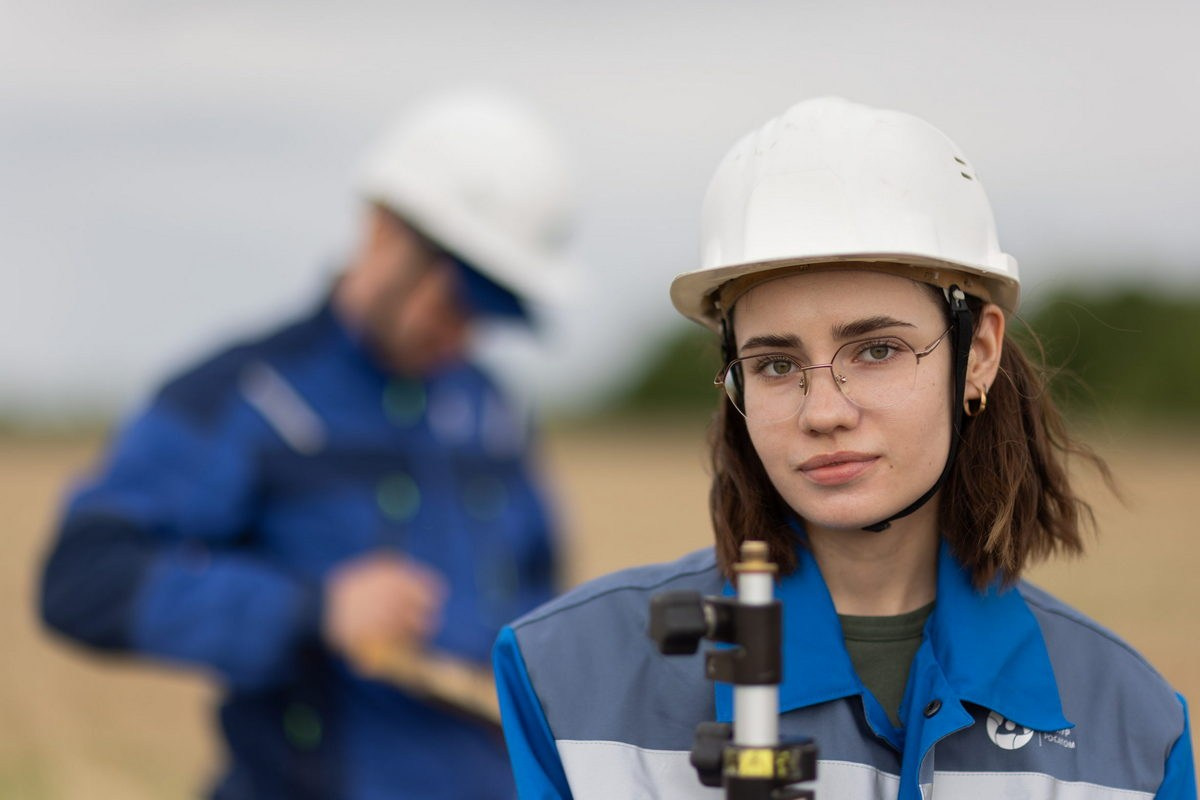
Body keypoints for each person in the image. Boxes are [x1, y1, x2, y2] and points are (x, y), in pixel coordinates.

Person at [492, 97, 1196, 799]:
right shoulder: (567, 677)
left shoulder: (1134, 733)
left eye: (878, 350)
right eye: (774, 364)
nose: (823, 411)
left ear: (977, 352)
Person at [40, 89, 576, 799]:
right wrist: (313, 611)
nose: (465, 336)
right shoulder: (246, 397)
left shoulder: (492, 411)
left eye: (494, 314)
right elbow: (86, 577)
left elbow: (540, 598)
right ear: (384, 232)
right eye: (457, 301)